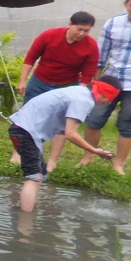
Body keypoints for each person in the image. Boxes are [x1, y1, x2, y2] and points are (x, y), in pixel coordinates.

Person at [9, 78, 120, 211]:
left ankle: (29, 209)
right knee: (34, 177)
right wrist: (94, 151)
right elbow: (70, 134)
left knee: (40, 175)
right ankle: (25, 219)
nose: (109, 102)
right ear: (102, 92)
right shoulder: (83, 101)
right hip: (25, 131)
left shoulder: (80, 91)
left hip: (24, 129)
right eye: (109, 98)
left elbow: (64, 127)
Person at [10, 11, 99, 168]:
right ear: (70, 24)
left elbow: (88, 73)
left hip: (67, 85)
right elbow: (31, 57)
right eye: (79, 29)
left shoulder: (91, 46)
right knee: (27, 117)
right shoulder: (49, 35)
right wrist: (22, 81)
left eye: (86, 31)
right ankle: (17, 153)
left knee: (61, 124)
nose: (82, 34)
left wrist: (79, 93)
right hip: (40, 81)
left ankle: (52, 161)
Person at [80, 0, 131, 175]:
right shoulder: (113, 24)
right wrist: (96, 82)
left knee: (128, 124)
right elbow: (101, 55)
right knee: (94, 119)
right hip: (109, 81)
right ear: (126, 4)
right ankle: (88, 156)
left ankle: (118, 164)